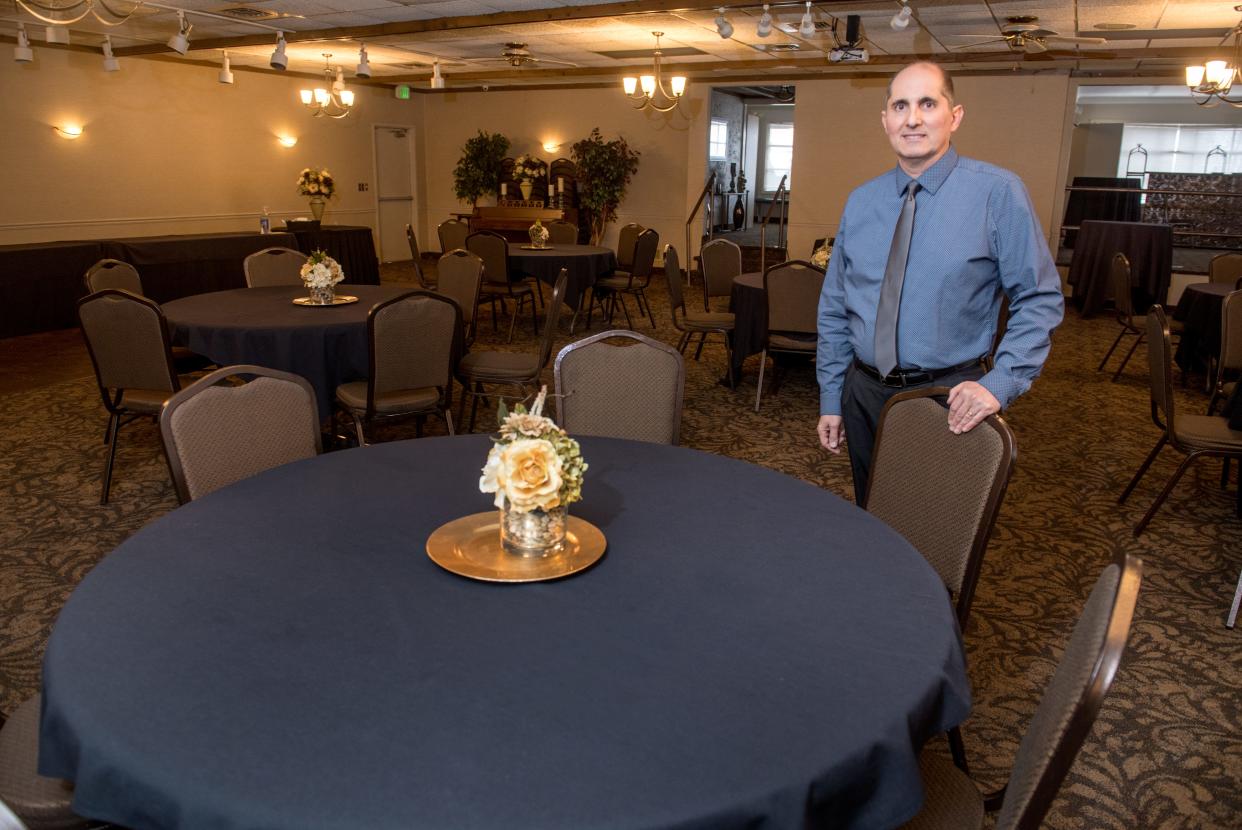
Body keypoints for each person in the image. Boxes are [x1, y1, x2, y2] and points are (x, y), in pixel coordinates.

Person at [816, 61, 1063, 505]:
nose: (913, 118)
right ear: (886, 119)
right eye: (900, 105)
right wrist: (833, 396)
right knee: (870, 517)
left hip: (946, 401)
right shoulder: (861, 201)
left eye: (928, 103)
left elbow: (1039, 298)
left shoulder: (997, 193)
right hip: (864, 394)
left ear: (955, 115)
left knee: (935, 529)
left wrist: (1001, 382)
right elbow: (835, 307)